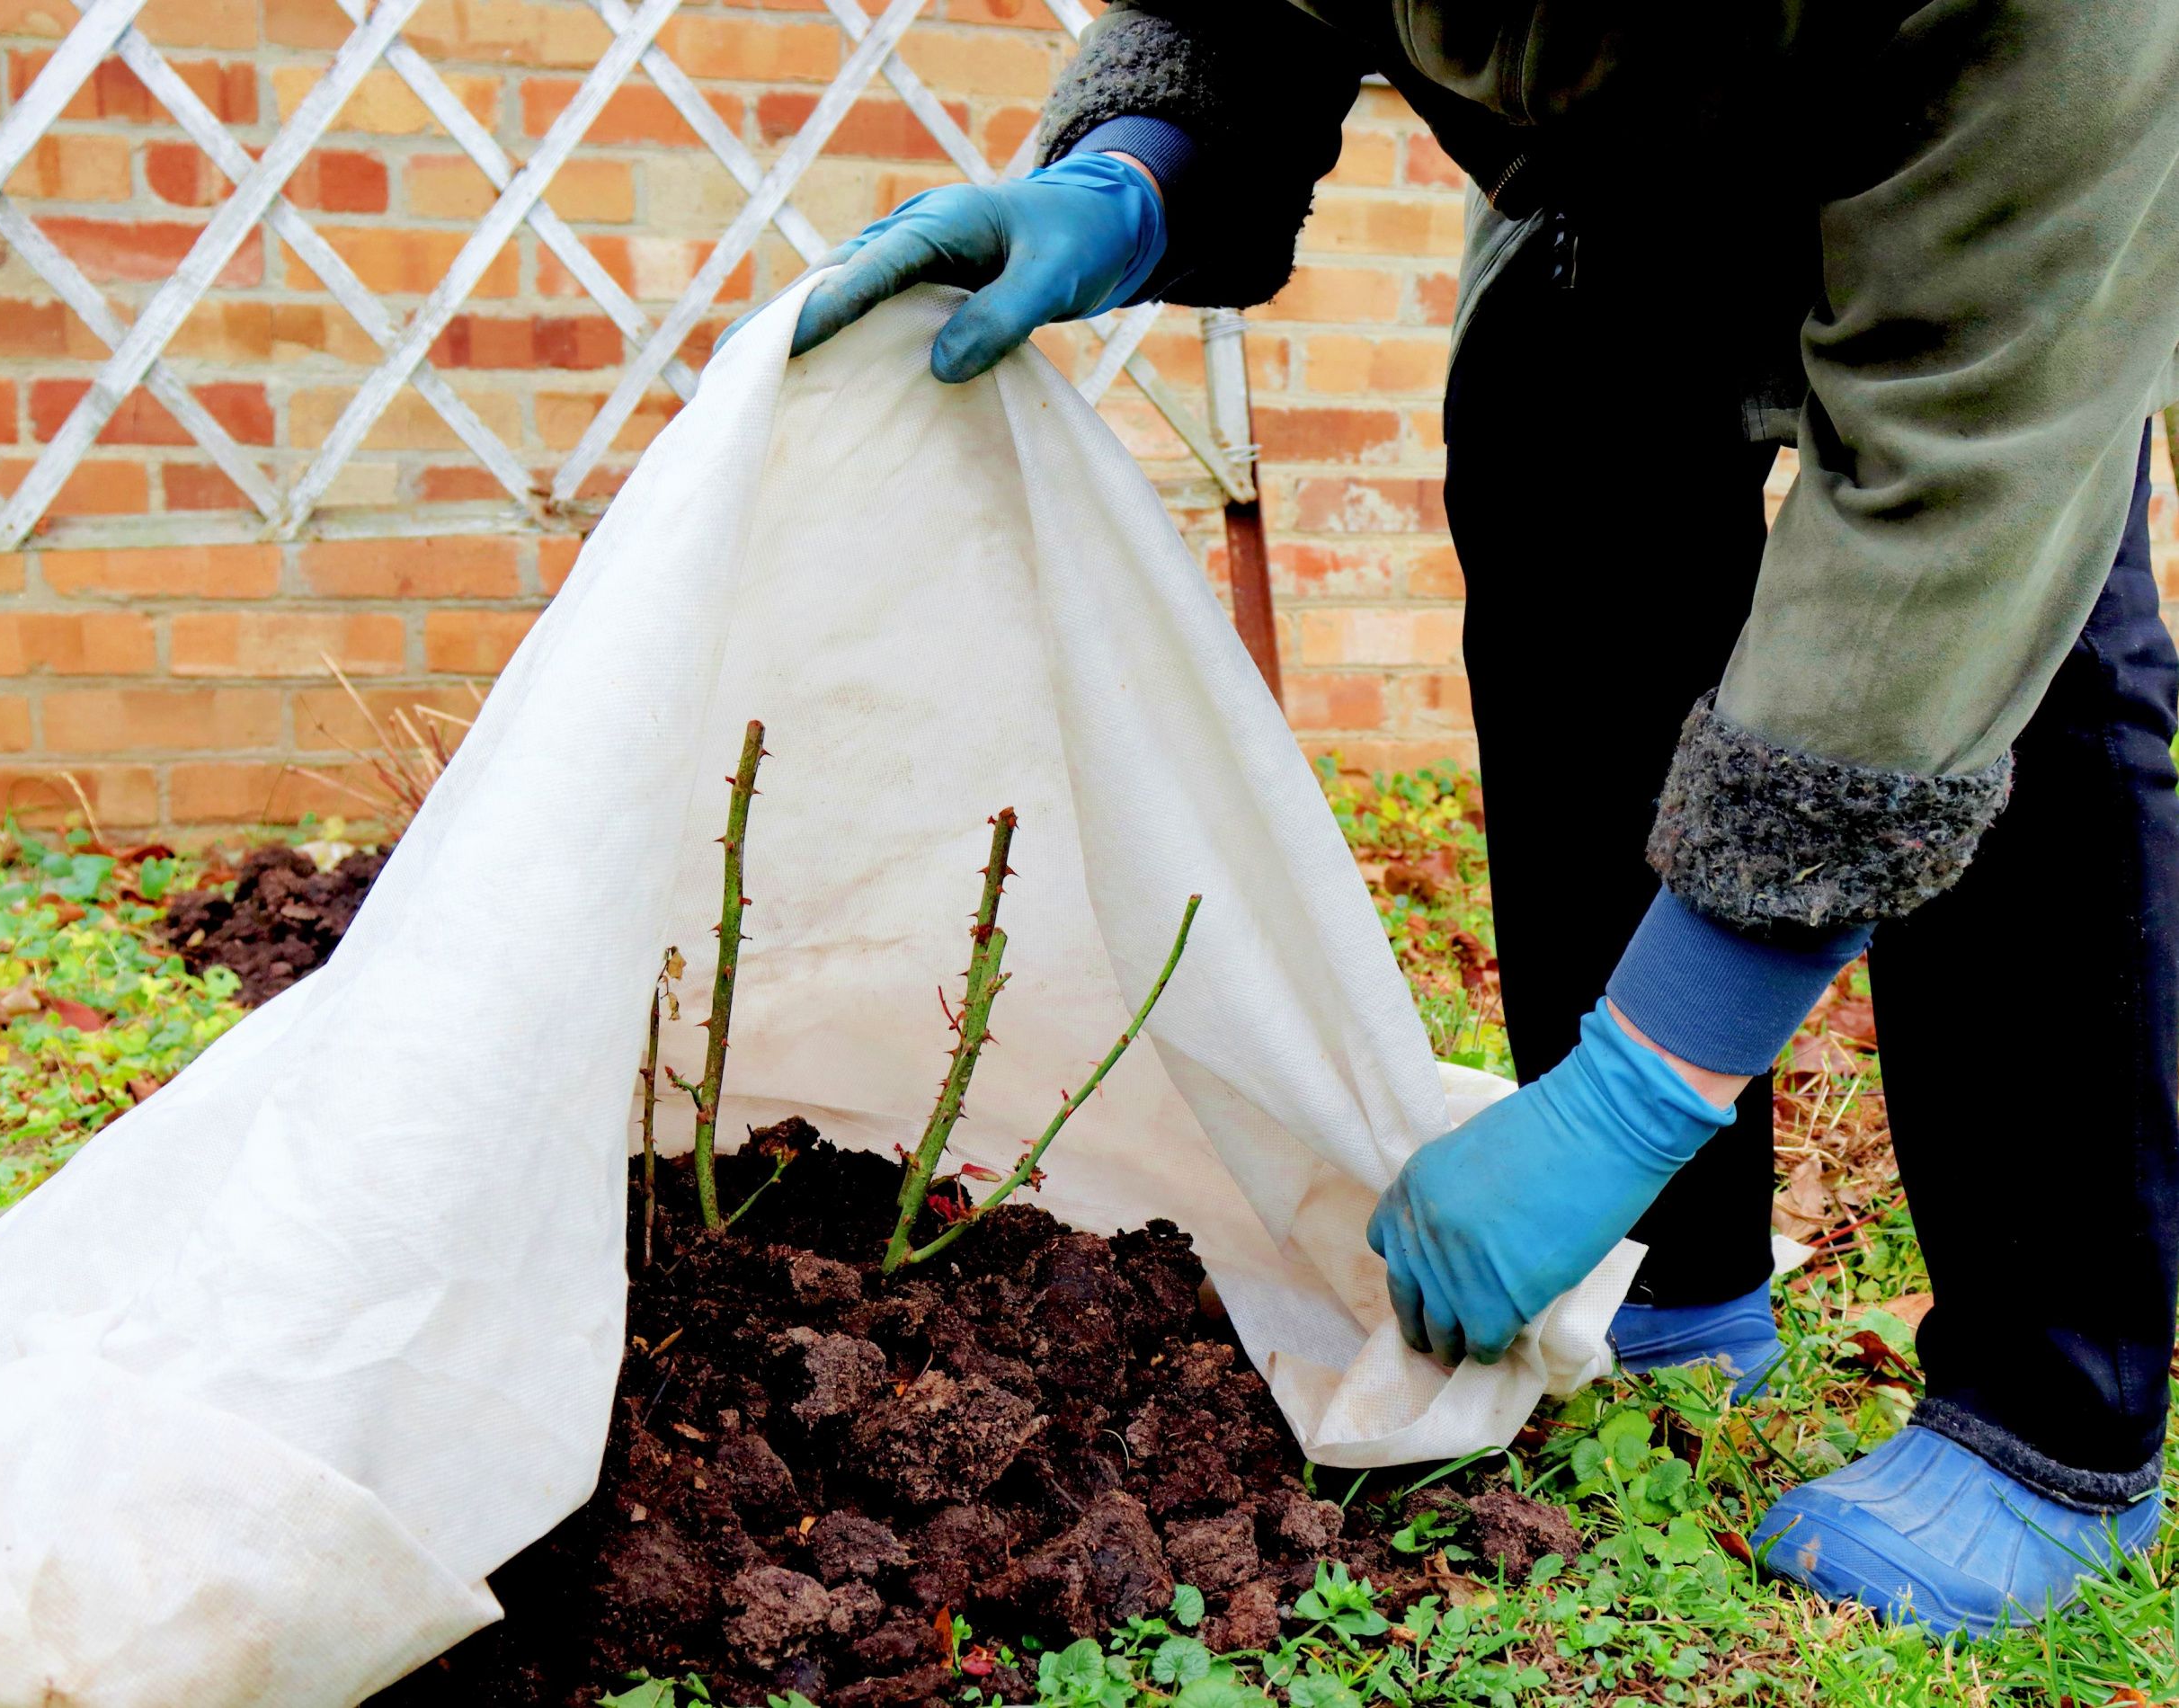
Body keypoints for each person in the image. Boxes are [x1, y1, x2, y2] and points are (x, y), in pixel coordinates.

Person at [760, 1, 2179, 1638]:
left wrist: (1641, 1087)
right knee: (1558, 461)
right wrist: (1143, 167)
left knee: (2028, 641)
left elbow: (1958, 514)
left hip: (2007, 161)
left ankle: (2050, 1418)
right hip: (1618, 152)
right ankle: (1669, 1277)